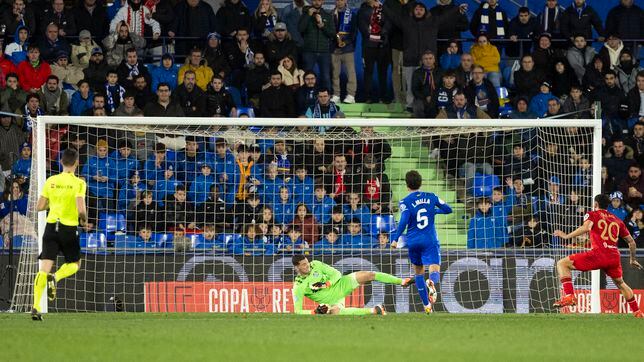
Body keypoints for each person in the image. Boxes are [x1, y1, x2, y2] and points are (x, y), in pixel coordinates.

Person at [553, 194, 642, 317]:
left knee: (562, 263)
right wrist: (632, 259)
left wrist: (566, 236)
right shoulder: (617, 220)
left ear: (595, 204)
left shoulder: (592, 214)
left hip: (598, 254)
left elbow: (586, 227)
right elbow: (631, 242)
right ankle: (637, 312)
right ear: (608, 205)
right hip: (613, 256)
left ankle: (569, 296)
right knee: (621, 283)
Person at [31, 148, 87, 321]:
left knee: (44, 268)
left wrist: (53, 205)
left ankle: (36, 307)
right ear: (76, 163)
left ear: (61, 162)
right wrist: (84, 219)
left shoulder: (51, 180)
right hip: (68, 228)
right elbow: (81, 208)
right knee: (76, 263)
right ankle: (55, 278)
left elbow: (39, 207)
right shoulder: (79, 183)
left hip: (50, 227)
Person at [390, 170, 452, 313]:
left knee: (418, 271)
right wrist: (435, 211)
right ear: (421, 183)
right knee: (434, 267)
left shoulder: (404, 201)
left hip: (413, 241)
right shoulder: (431, 197)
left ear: (407, 185)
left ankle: (426, 305)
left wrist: (395, 239)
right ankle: (431, 281)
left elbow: (403, 221)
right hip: (429, 239)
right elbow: (448, 209)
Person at [291, 254, 411, 314]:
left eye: (307, 263)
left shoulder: (315, 264)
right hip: (332, 301)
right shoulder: (298, 286)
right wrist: (314, 312)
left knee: (369, 274)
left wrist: (326, 284)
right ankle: (374, 311)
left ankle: (402, 281)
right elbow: (297, 311)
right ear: (297, 267)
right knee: (333, 312)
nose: (307, 266)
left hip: (341, 284)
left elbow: (336, 273)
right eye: (304, 265)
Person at [357, 0, 390, 104]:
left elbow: (388, 23)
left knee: (382, 73)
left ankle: (383, 97)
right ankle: (368, 97)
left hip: (382, 46)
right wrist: (376, 37)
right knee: (368, 72)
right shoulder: (362, 10)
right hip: (368, 46)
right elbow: (362, 28)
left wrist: (383, 34)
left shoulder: (384, 8)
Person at [299, 0, 335, 90]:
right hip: (309, 51)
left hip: (324, 52)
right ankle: (306, 96)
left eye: (319, 0)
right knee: (306, 76)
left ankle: (327, 99)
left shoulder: (327, 15)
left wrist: (322, 26)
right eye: (315, 0)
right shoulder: (305, 14)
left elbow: (332, 34)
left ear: (323, 2)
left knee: (326, 77)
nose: (317, 2)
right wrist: (308, 15)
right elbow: (300, 29)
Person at [330, 0, 357, 104]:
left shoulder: (351, 14)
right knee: (335, 73)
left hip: (347, 49)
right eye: (337, 0)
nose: (339, 2)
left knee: (350, 73)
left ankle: (351, 95)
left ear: (345, 1)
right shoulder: (331, 14)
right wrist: (335, 42)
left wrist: (346, 42)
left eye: (341, 0)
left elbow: (354, 32)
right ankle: (336, 94)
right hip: (334, 48)